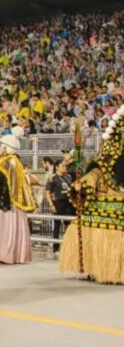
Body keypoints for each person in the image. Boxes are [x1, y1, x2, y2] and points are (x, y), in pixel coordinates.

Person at [59, 105, 124, 284]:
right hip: (101, 212)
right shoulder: (97, 170)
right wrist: (81, 187)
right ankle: (100, 270)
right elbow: (87, 182)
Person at [0, 131, 37, 264]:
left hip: (6, 203)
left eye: (1, 145)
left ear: (5, 147)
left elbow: (1, 183)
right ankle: (18, 255)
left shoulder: (3, 162)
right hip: (18, 202)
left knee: (5, 229)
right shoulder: (17, 161)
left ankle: (4, 254)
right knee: (18, 227)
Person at [45, 160, 75, 253]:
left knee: (69, 224)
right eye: (62, 166)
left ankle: (67, 245)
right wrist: (51, 204)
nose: (64, 168)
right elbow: (48, 192)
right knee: (57, 225)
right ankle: (56, 247)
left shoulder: (68, 177)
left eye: (65, 166)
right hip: (58, 202)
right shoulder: (52, 178)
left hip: (68, 203)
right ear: (57, 167)